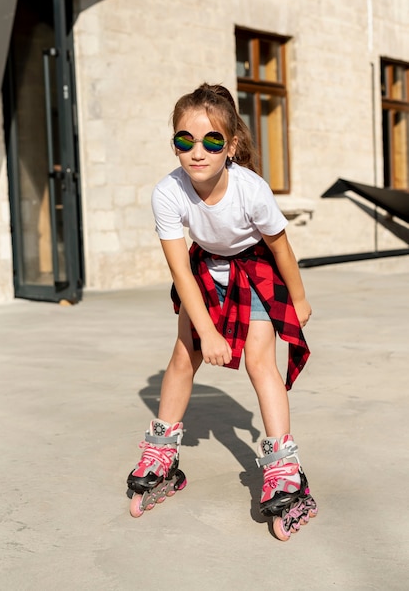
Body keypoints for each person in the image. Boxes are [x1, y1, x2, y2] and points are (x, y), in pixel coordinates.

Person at [127, 83, 318, 540]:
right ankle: (162, 457)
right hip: (203, 271)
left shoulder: (251, 190)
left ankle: (284, 469)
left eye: (212, 140)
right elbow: (180, 272)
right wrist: (206, 332)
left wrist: (299, 297)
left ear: (230, 145)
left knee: (258, 359)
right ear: (173, 143)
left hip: (255, 266)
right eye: (184, 140)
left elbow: (281, 247)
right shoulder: (167, 193)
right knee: (182, 356)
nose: (197, 152)